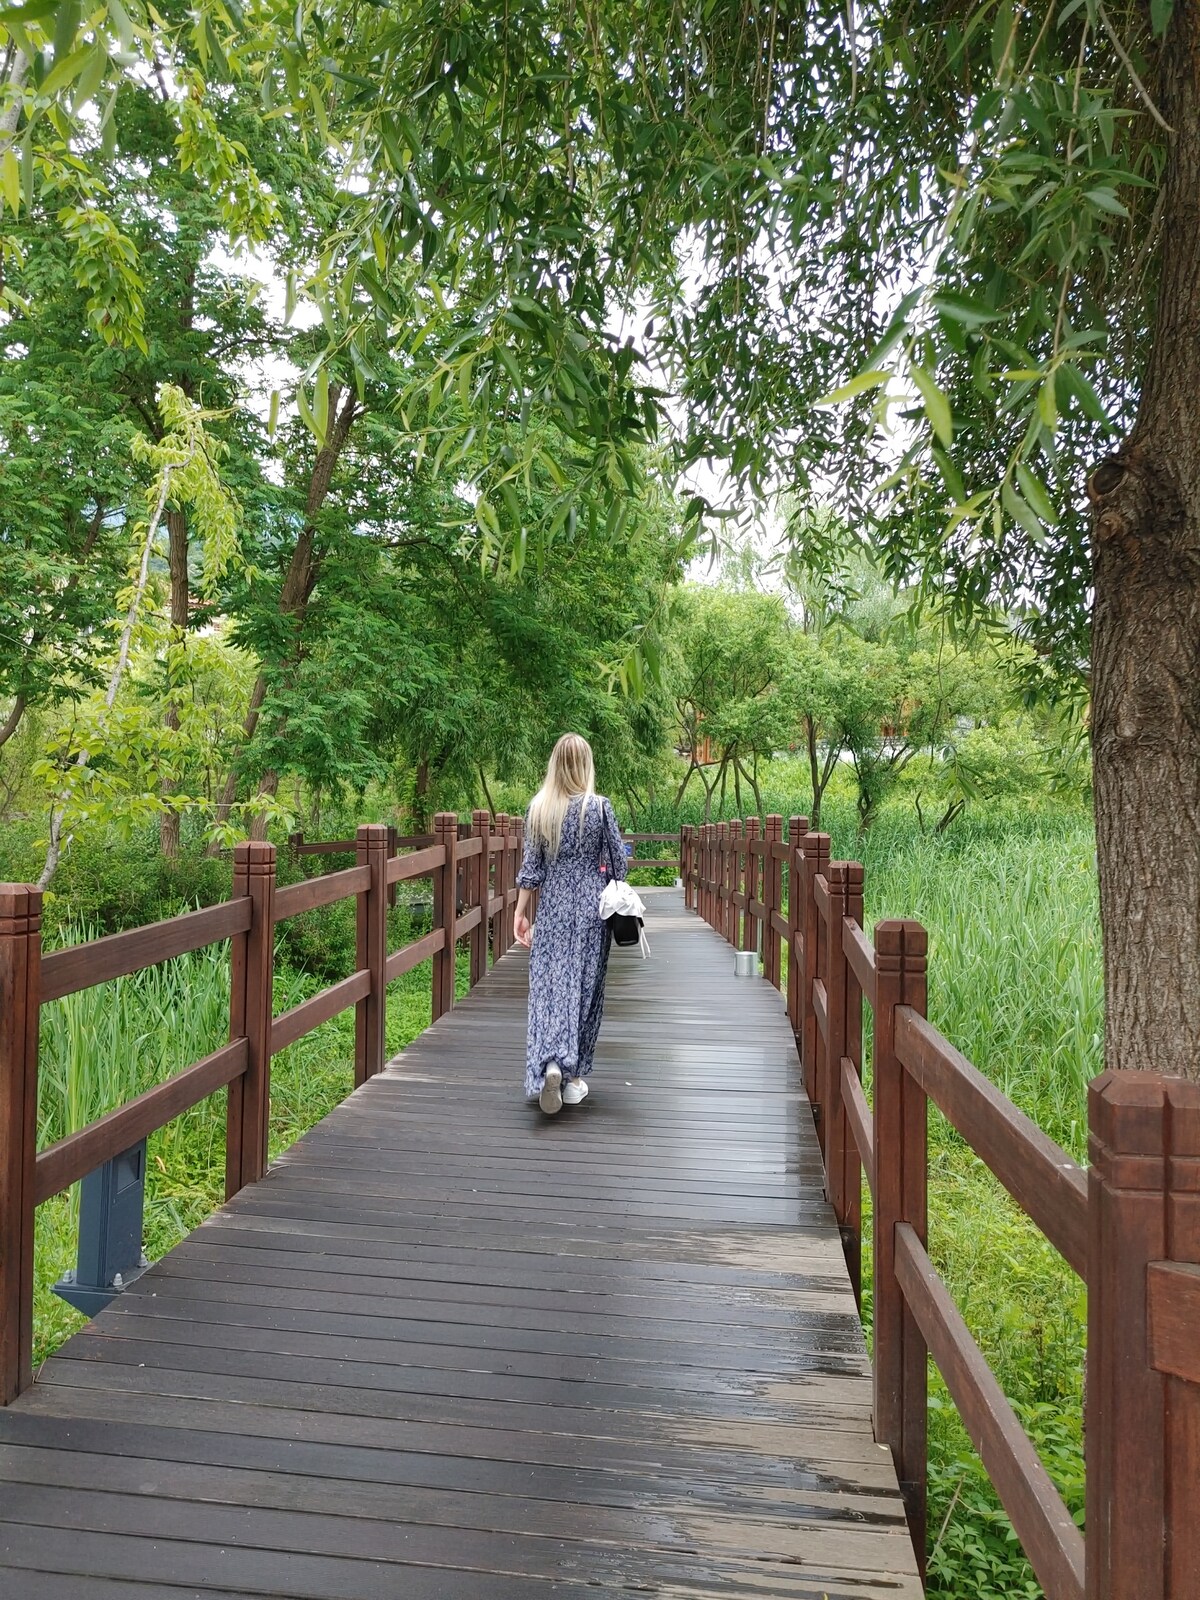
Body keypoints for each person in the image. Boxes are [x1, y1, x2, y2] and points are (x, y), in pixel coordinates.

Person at [513, 733, 628, 1114]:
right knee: (584, 988)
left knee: (549, 988)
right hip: (593, 910)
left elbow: (532, 869)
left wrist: (520, 912)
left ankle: (550, 1063)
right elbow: (618, 866)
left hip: (553, 909)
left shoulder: (539, 809)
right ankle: (573, 1075)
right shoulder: (600, 808)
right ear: (585, 765)